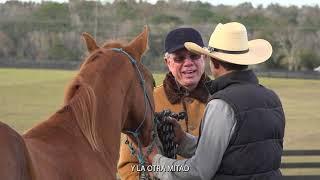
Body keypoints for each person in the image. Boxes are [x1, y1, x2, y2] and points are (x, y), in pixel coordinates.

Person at [146, 22, 286, 180]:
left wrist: (156, 161)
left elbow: (199, 171)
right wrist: (184, 140)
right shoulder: (272, 98)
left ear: (214, 61)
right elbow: (235, 151)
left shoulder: (221, 104)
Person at [117, 27, 211, 180]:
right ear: (168, 62)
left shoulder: (222, 101)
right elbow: (128, 164)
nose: (188, 63)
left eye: (194, 56)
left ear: (204, 59)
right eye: (179, 58)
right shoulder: (148, 100)